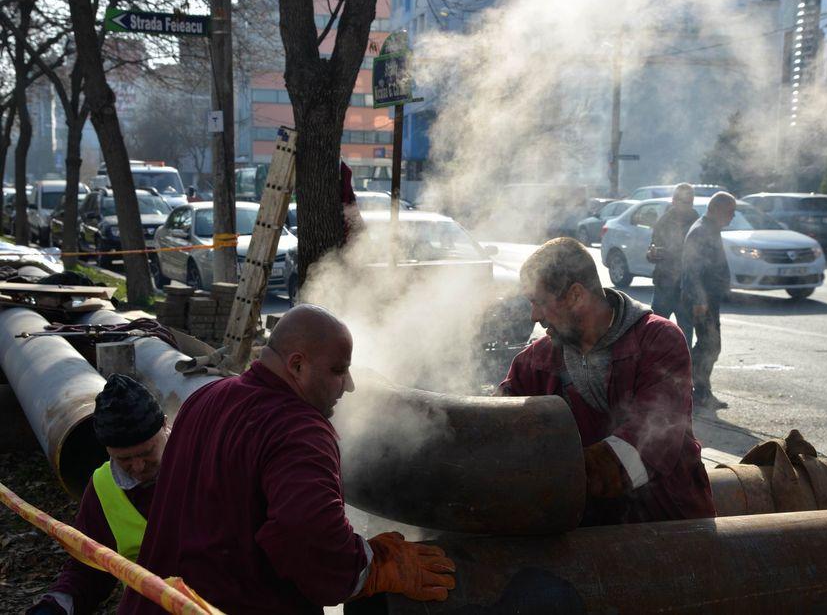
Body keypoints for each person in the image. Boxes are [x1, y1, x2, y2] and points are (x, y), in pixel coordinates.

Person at [119, 304, 455, 614]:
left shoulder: (205, 397)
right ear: (297, 365)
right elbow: (308, 537)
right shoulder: (300, 431)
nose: (349, 386)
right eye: (339, 370)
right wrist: (374, 566)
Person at [498, 237, 715, 526]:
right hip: (587, 526)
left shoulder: (659, 340)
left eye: (539, 303)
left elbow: (650, 444)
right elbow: (497, 424)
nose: (534, 316)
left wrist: (550, 479)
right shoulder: (535, 361)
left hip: (667, 525)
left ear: (575, 296)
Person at [27, 374, 169, 615]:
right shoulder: (103, 487)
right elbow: (88, 567)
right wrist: (57, 605)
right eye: (123, 459)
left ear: (165, 425)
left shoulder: (204, 464)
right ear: (106, 449)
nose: (137, 467)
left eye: (147, 453)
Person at [681, 191, 736, 409]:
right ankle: (695, 389)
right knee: (710, 345)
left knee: (708, 345)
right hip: (701, 300)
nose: (732, 216)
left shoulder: (711, 229)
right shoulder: (701, 231)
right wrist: (699, 300)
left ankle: (697, 389)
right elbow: (692, 269)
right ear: (716, 209)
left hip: (708, 299)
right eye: (729, 211)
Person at [647, 183, 699, 344]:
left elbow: (700, 256)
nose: (687, 205)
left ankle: (684, 367)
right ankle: (655, 367)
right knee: (655, 333)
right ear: (674, 201)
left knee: (685, 334)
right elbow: (653, 248)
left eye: (690, 202)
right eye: (684, 201)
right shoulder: (664, 221)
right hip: (664, 285)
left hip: (686, 288)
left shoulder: (697, 223)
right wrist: (652, 254)